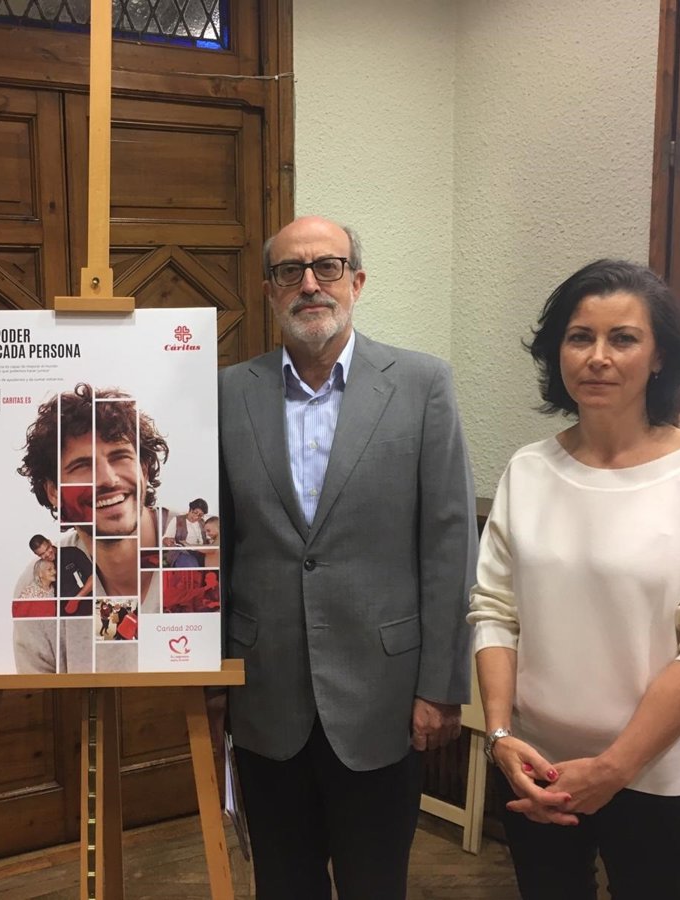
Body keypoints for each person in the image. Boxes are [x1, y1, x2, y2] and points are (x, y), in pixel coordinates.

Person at [468, 259, 680, 899]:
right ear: (558, 352)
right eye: (580, 337)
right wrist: (500, 737)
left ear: (660, 357)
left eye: (623, 338)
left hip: (655, 777)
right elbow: (495, 610)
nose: (598, 357)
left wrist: (614, 768)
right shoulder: (528, 471)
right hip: (535, 767)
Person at [218, 216, 478, 899]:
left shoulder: (422, 385)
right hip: (266, 693)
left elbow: (449, 541)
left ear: (356, 282)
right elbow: (213, 541)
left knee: (374, 883)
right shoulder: (227, 394)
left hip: (383, 697)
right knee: (283, 883)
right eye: (290, 271)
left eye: (327, 267)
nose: (310, 284)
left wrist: (442, 686)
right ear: (270, 290)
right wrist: (209, 671)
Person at [13, 383, 173, 671]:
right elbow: (38, 696)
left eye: (120, 457)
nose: (108, 479)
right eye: (82, 466)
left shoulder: (204, 549)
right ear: (53, 492)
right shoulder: (42, 585)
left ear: (144, 469)